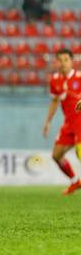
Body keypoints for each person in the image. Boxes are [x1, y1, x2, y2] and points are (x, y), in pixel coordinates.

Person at [43, 49, 81, 195]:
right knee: (56, 155)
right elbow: (54, 102)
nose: (63, 63)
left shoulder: (79, 77)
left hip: (80, 121)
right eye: (60, 60)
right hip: (68, 123)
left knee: (80, 153)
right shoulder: (55, 80)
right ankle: (75, 181)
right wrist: (48, 122)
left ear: (72, 61)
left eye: (66, 59)